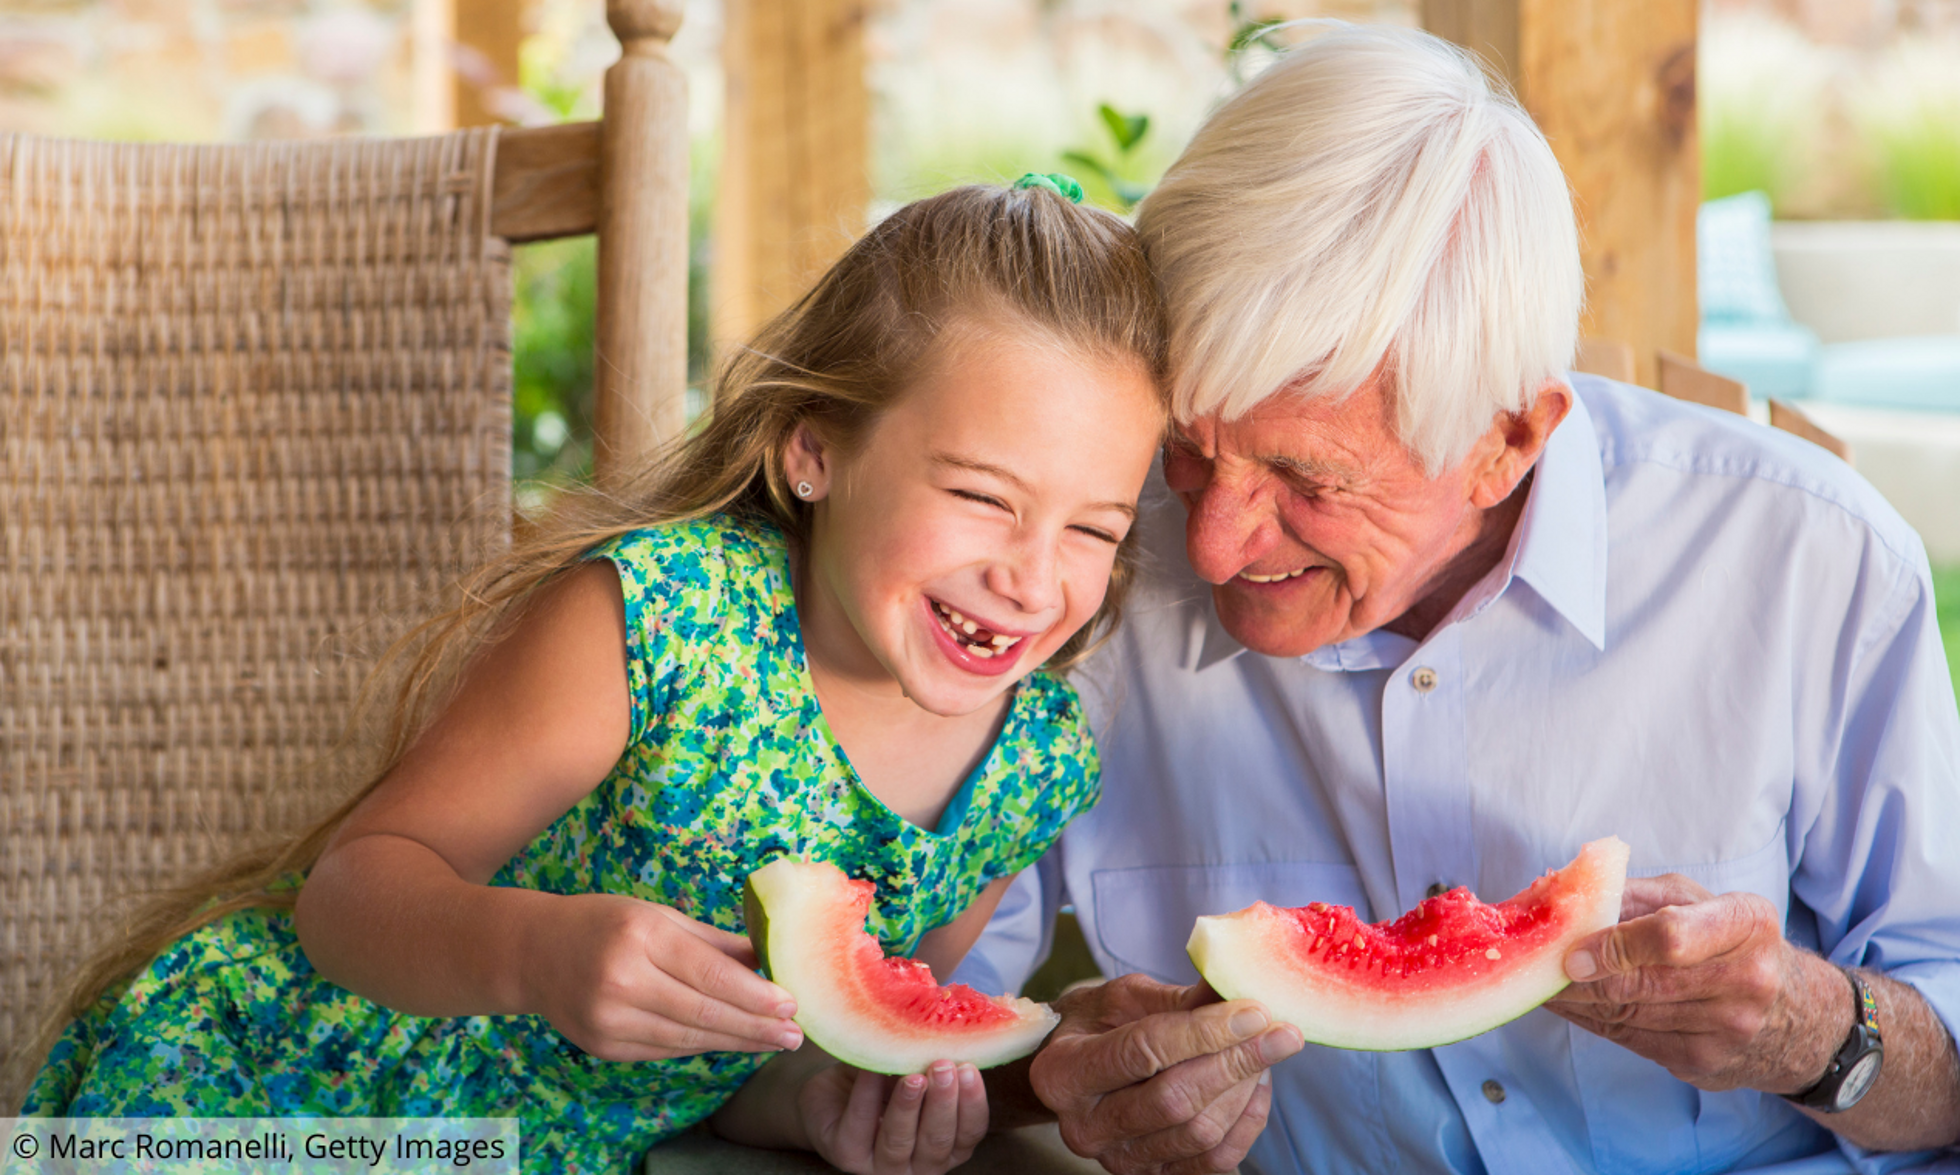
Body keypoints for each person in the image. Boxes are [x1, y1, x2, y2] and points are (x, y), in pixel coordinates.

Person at [955, 25, 1960, 1175]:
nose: (1217, 545)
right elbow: (921, 1036)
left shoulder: (1808, 561)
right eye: (1189, 448)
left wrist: (1814, 1028)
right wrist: (1057, 1081)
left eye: (1307, 481)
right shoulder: (1076, 561)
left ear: (1508, 439)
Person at [21, 179, 1171, 1175]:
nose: (1029, 577)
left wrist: (826, 1104)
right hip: (276, 1091)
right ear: (815, 450)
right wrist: (537, 951)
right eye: (980, 495)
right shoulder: (661, 616)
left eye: (1092, 528)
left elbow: (773, 1052)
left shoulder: (1031, 767)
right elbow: (351, 892)